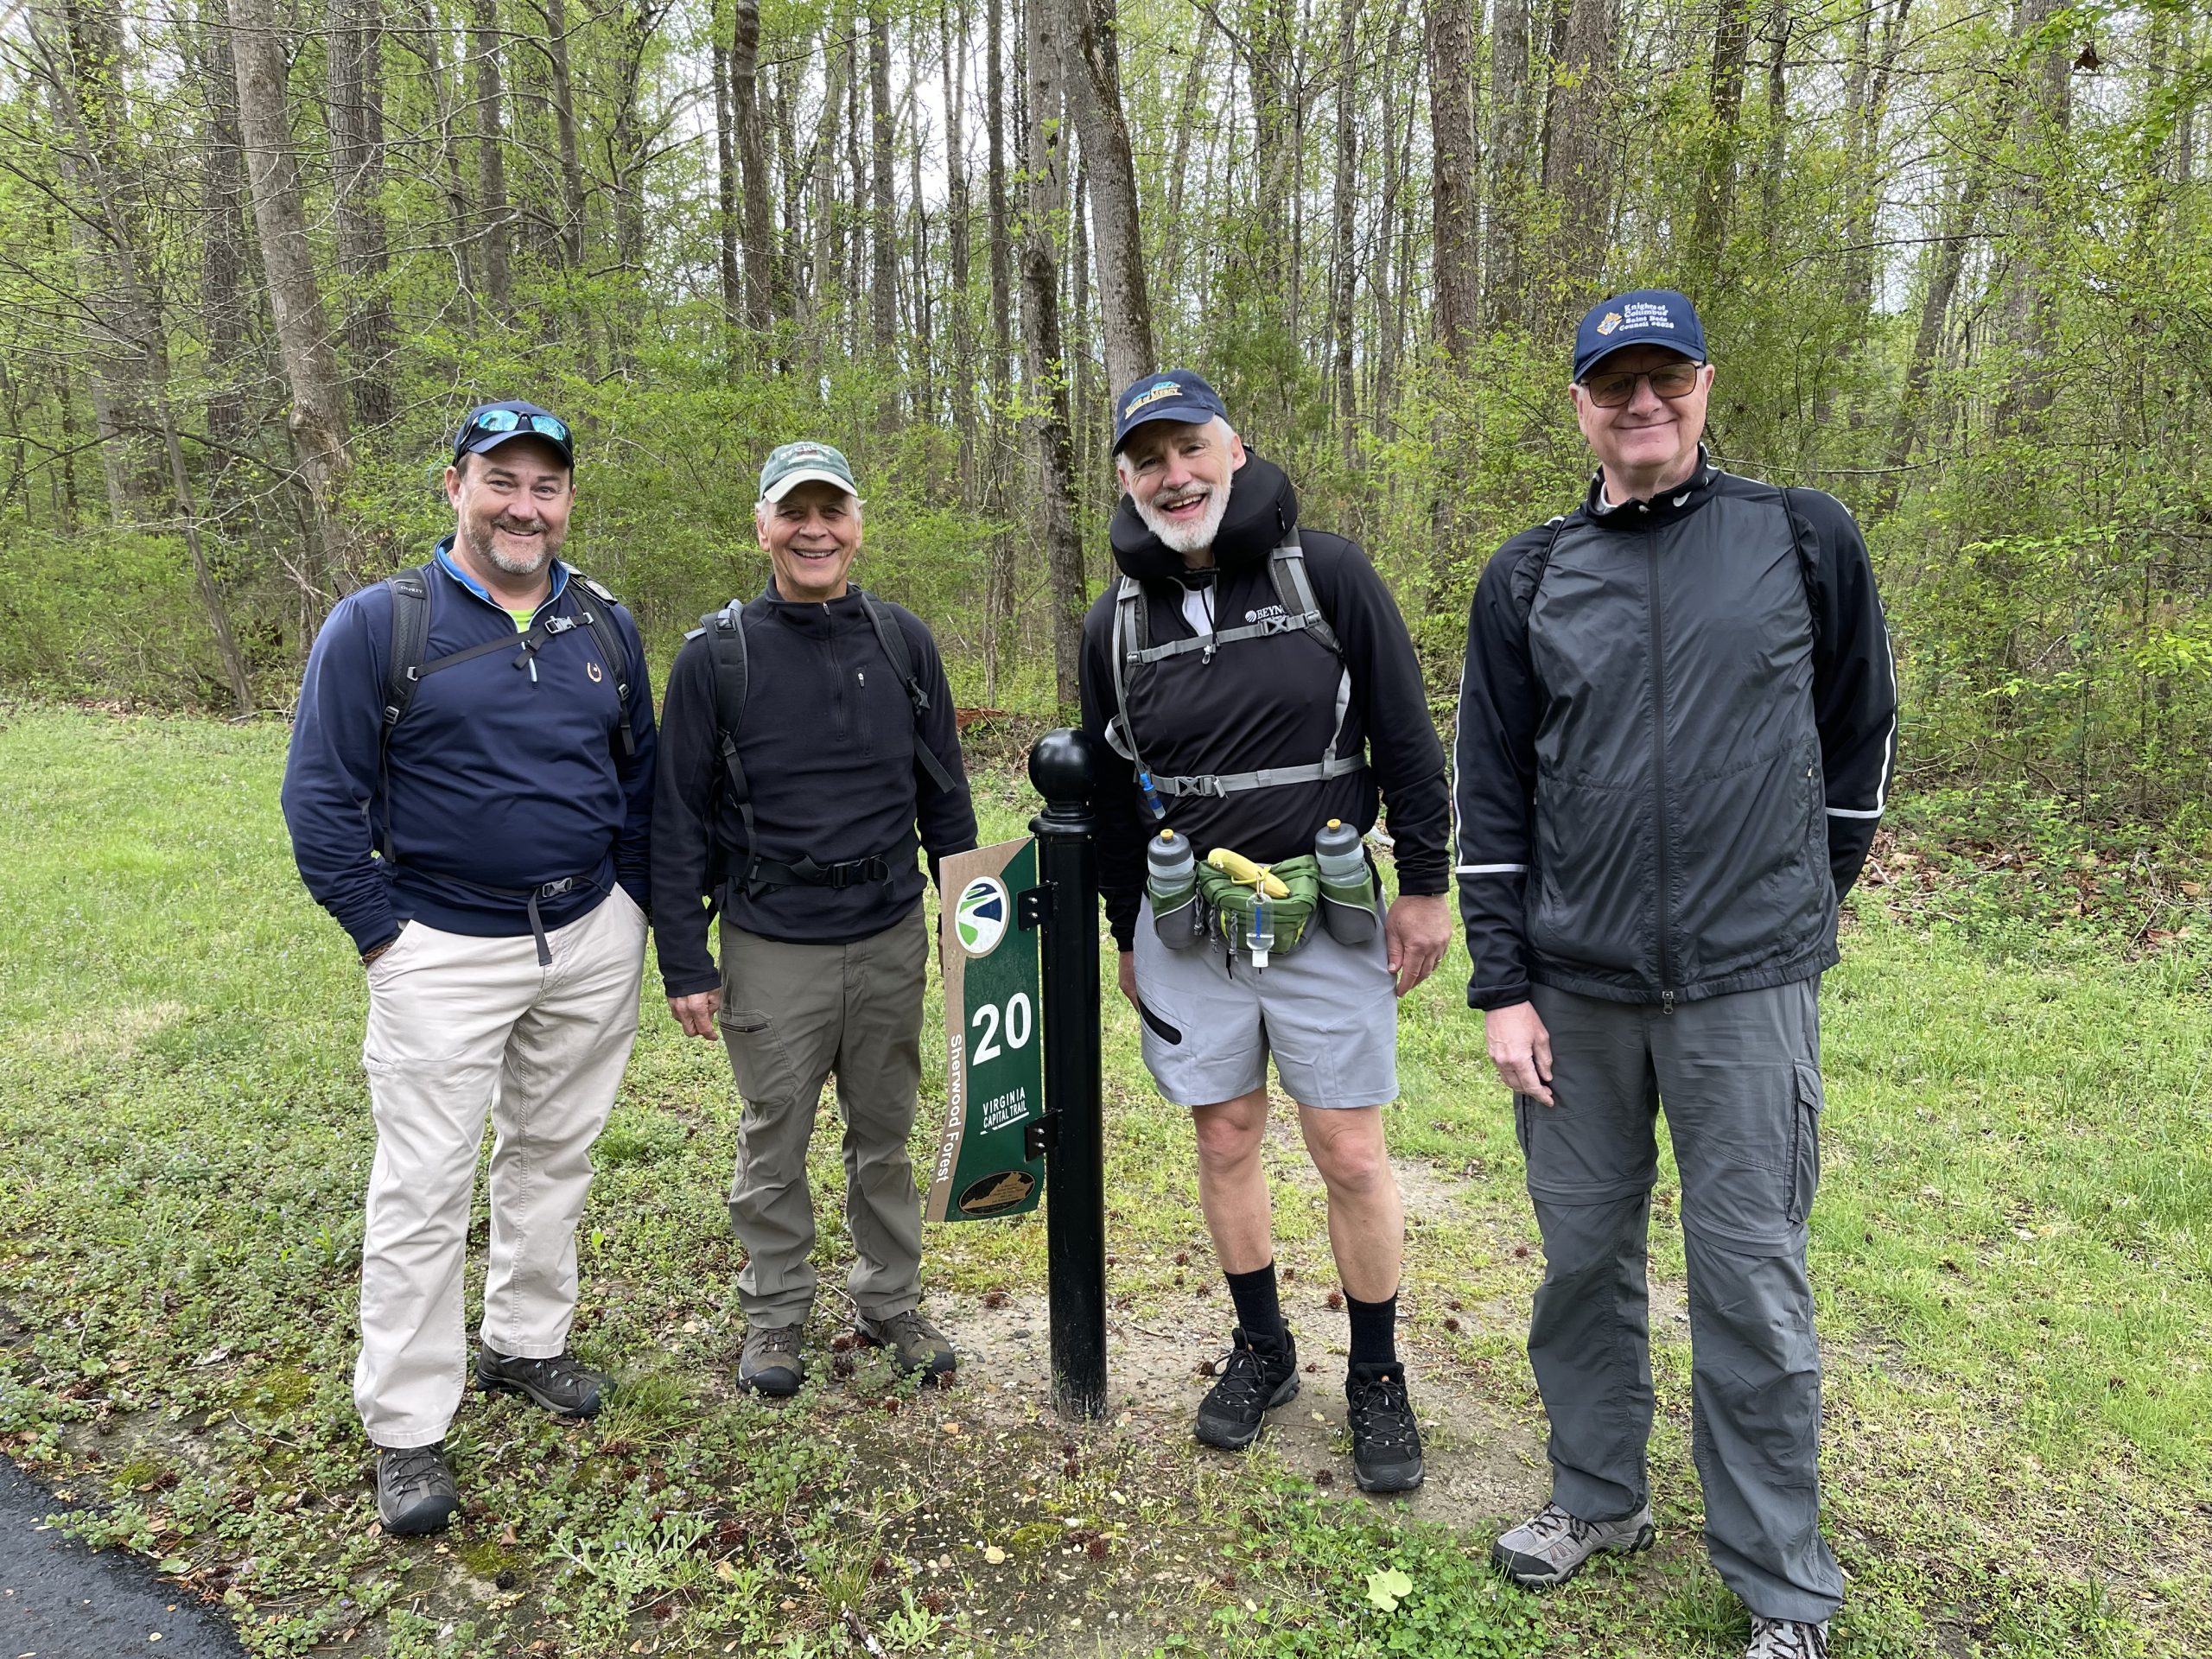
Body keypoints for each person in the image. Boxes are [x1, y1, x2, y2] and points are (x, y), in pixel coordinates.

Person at [1454, 291, 1897, 1659]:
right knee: (1582, 1263)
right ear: (1579, 403)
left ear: (1704, 385)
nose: (1641, 404)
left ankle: (1779, 1581)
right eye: (1612, 384)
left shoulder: (1799, 536)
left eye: (1664, 379)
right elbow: (1492, 788)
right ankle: (1597, 1498)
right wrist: (1503, 985)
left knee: (1750, 1278)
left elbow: (1858, 732)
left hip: (1745, 988)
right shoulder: (1526, 577)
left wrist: (1795, 905)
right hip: (1574, 995)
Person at [282, 401, 657, 1536]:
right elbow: (319, 797)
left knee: (554, 1153)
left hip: (588, 936)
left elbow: (638, 778)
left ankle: (524, 1345)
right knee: (425, 1187)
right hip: (441, 945)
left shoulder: (605, 624)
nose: (523, 506)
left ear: (569, 502)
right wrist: (382, 936)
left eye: (546, 486)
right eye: (502, 481)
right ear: (454, 486)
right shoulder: (377, 626)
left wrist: (633, 905)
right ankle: (406, 1425)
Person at [1077, 371, 1452, 1493]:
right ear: (1127, 482)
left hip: (1325, 910)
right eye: (1148, 461)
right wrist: (1125, 931)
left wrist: (1426, 885)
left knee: (1347, 1148)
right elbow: (1106, 795)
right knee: (1225, 1138)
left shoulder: (1326, 574)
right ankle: (1263, 1349)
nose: (1173, 476)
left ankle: (1376, 1376)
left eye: (1188, 448)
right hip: (1187, 923)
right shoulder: (1114, 624)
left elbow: (1406, 730)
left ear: (1232, 449)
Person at [652, 441, 977, 1398]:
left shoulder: (902, 642)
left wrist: (968, 925)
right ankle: (776, 1316)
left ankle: (890, 1301)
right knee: (774, 1137)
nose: (814, 531)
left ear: (857, 526)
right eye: (794, 513)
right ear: (762, 527)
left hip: (889, 934)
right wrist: (684, 960)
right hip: (768, 942)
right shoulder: (717, 655)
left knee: (885, 1131)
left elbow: (946, 798)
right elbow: (673, 817)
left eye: (831, 512)